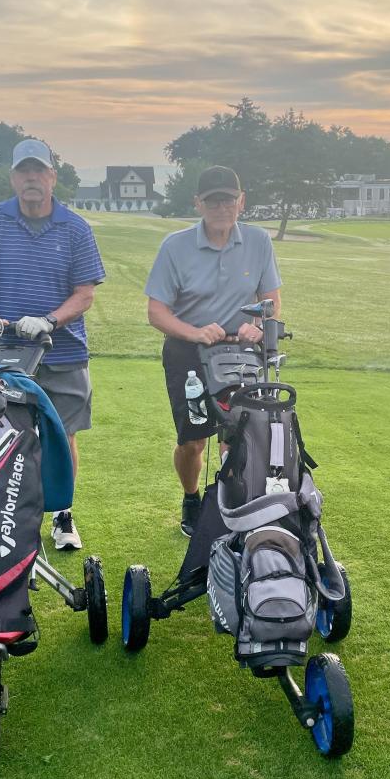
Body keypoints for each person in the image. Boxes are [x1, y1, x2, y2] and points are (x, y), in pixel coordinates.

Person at [0, 138, 106, 551]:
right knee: (0, 434)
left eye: (39, 171)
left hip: (63, 352)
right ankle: (4, 518)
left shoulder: (75, 227)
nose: (31, 179)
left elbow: (85, 293)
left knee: (63, 437)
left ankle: (62, 516)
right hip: (2, 353)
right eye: (23, 172)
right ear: (12, 178)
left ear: (52, 177)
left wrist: (48, 320)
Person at [145, 165, 282, 536]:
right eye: (212, 200)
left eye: (228, 199)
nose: (221, 207)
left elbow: (270, 301)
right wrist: (194, 332)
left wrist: (257, 325)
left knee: (238, 433)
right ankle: (192, 497)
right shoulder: (175, 246)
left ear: (241, 202)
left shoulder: (259, 241)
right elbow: (156, 312)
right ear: (198, 203)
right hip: (188, 350)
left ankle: (232, 499)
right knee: (192, 440)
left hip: (241, 350)